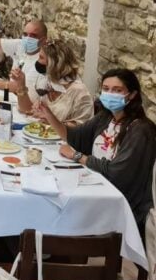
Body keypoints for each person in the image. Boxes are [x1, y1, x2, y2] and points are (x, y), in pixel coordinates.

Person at [43, 69, 156, 233]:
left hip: (118, 202)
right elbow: (73, 136)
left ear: (131, 95)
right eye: (106, 88)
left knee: (57, 207)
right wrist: (48, 114)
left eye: (117, 90)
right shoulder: (106, 117)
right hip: (95, 187)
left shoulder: (140, 130)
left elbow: (116, 172)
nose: (110, 94)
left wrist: (78, 156)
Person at [11, 39, 93, 126]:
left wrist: (50, 121)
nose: (38, 61)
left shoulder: (79, 91)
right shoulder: (48, 81)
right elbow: (27, 110)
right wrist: (21, 84)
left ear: (55, 63)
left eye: (41, 58)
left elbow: (83, 128)